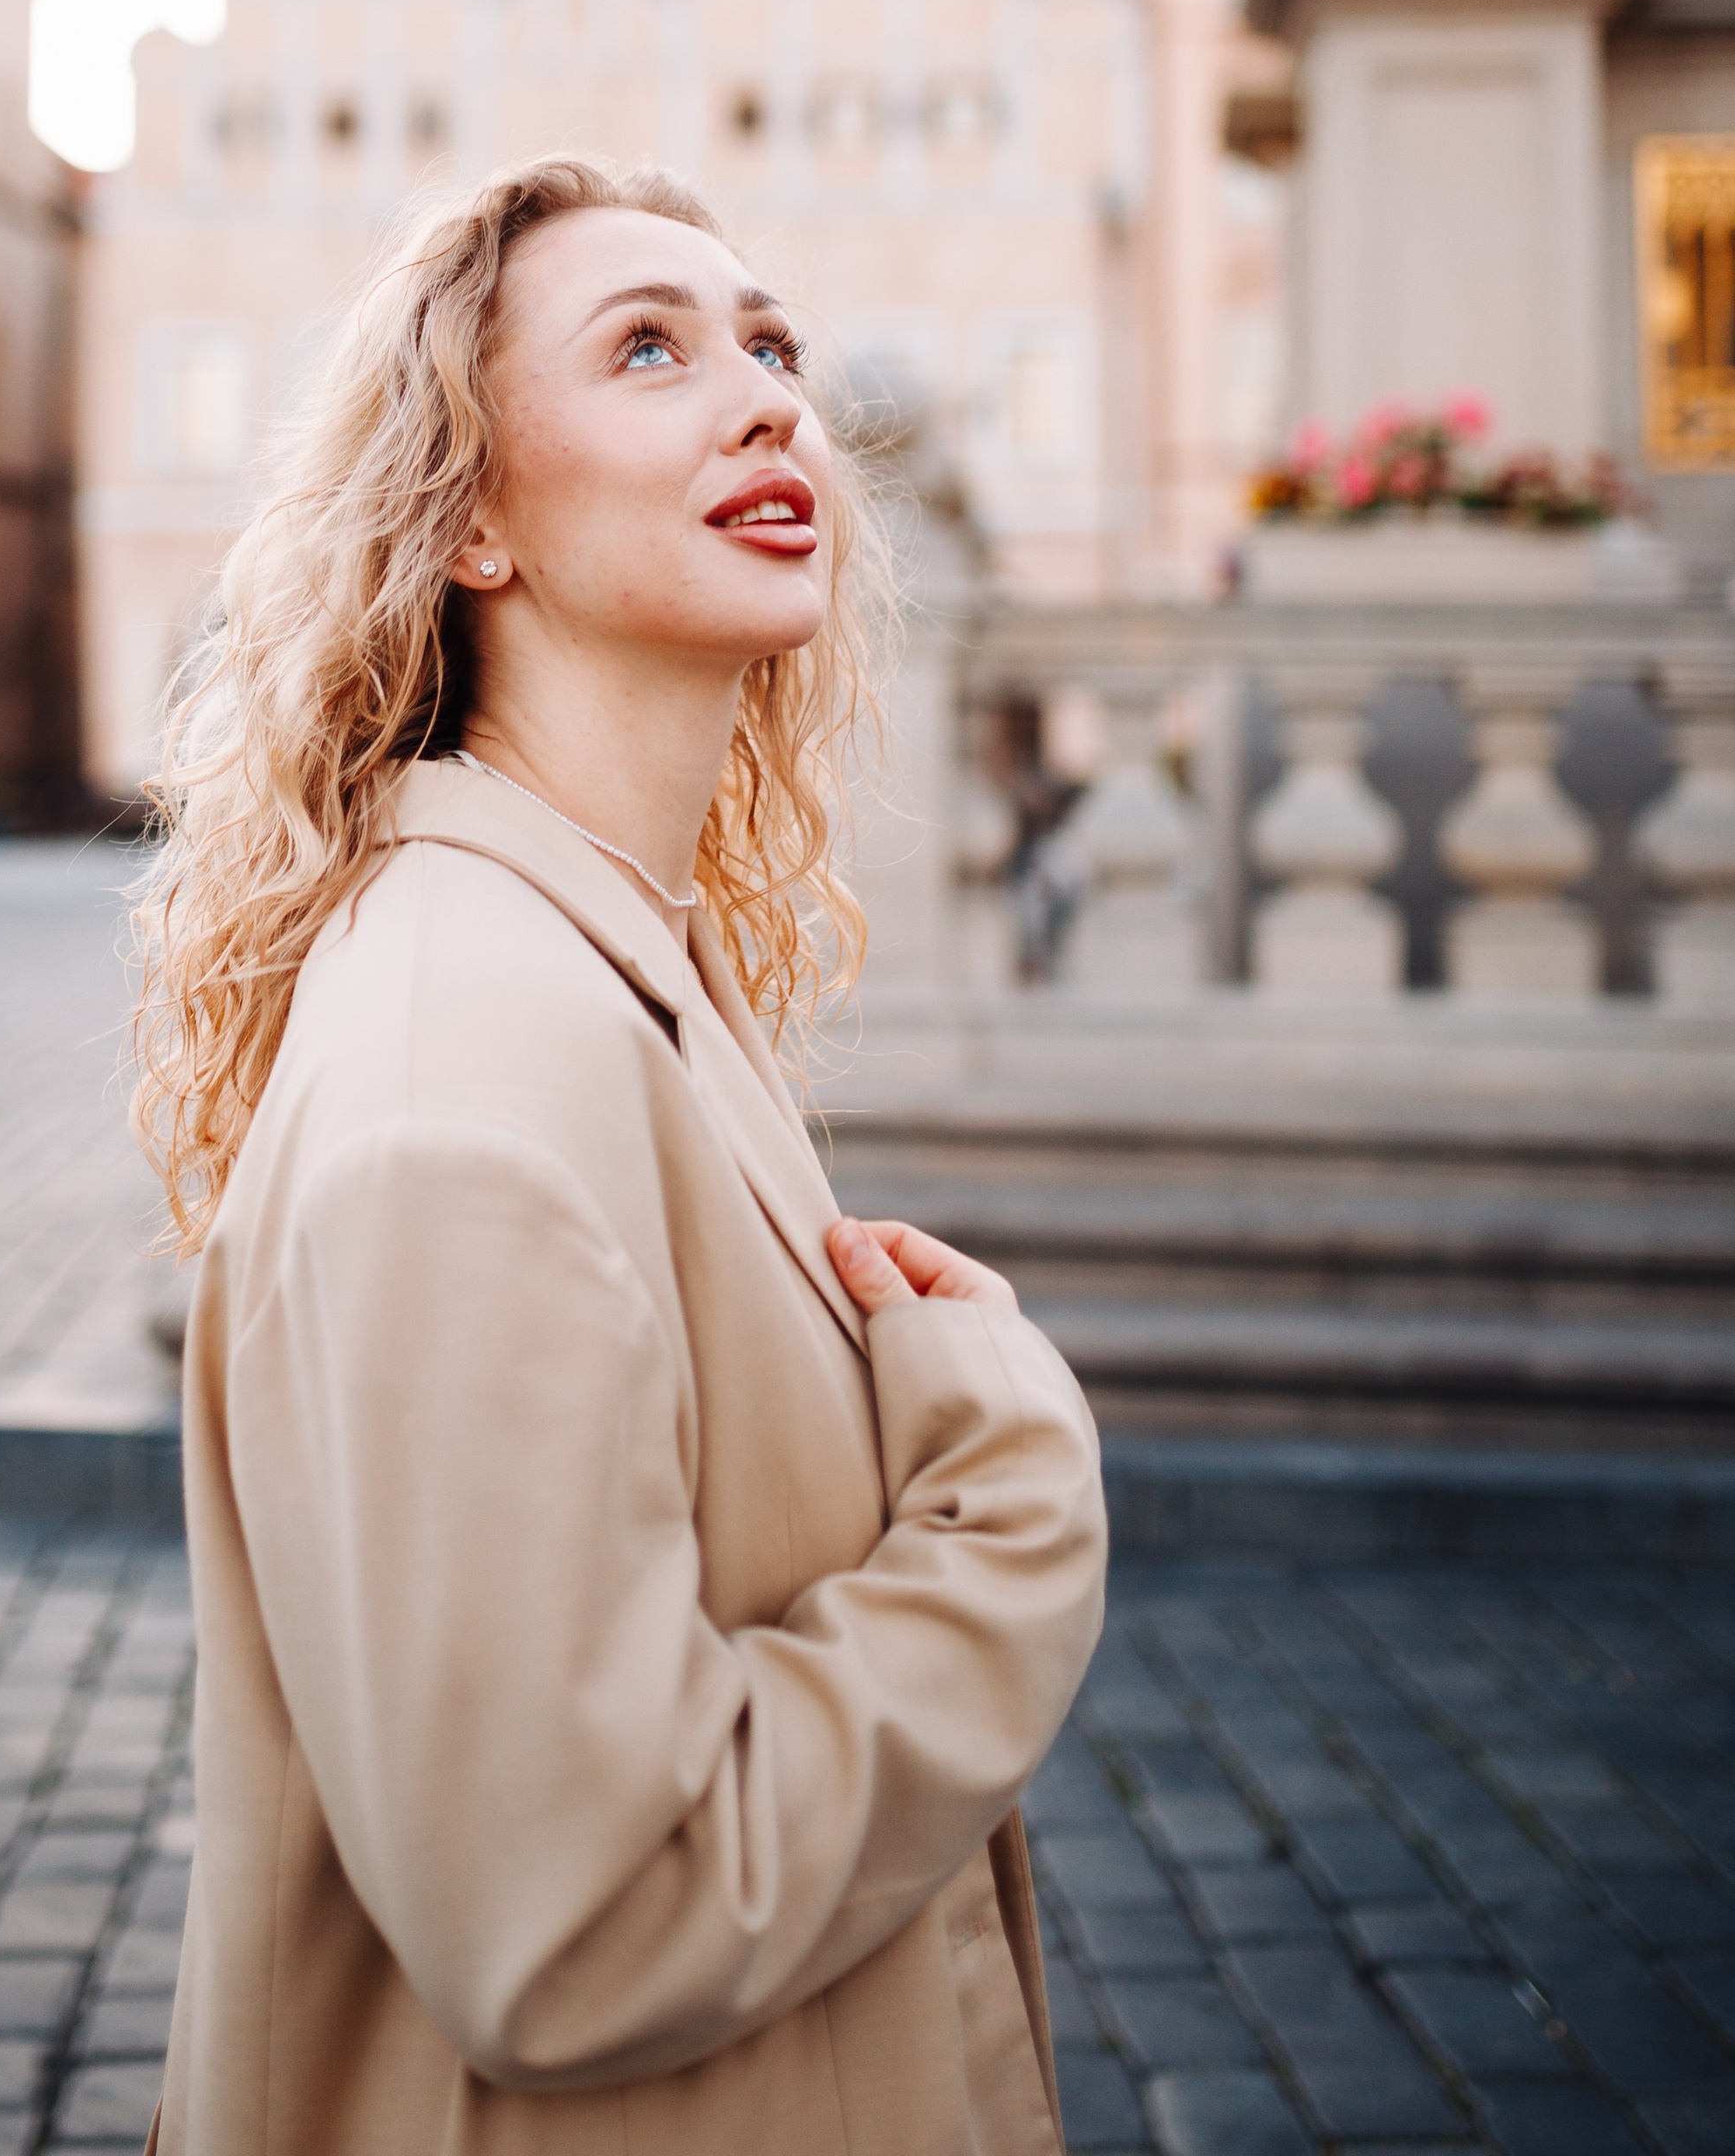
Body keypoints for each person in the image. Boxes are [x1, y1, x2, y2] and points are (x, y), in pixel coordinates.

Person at [133, 155, 1107, 2156]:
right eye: (647, 349)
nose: (764, 398)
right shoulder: (460, 1086)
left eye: (772, 347)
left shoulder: (610, 973)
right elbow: (578, 1923)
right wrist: (1010, 1511)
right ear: (469, 511)